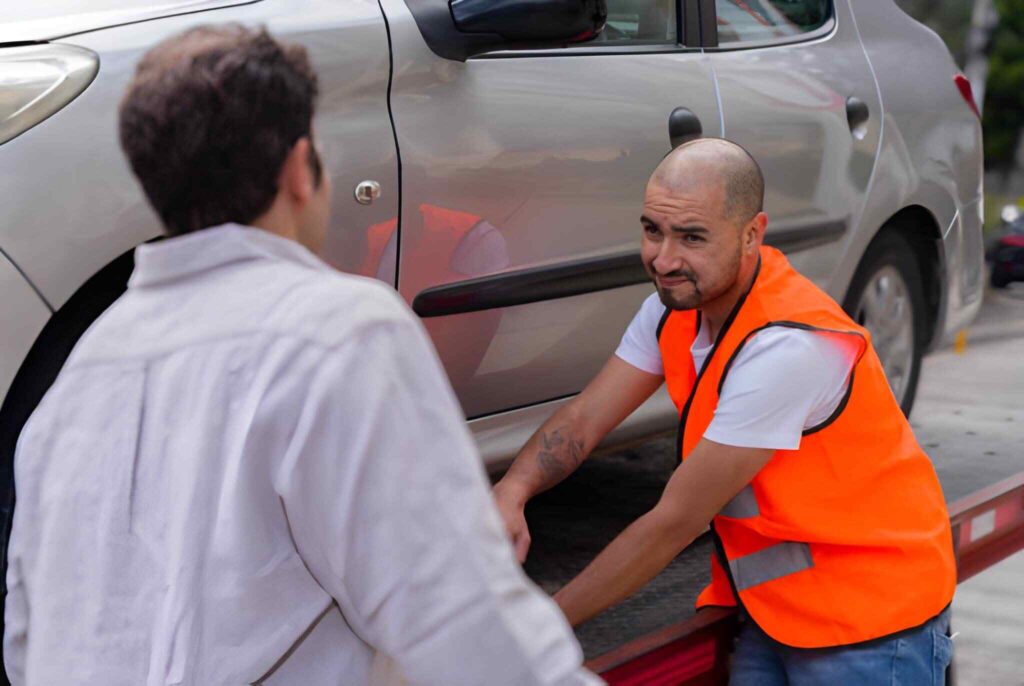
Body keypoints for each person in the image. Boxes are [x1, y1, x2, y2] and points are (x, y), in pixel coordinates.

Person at [3, 25, 600, 686]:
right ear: (298, 167)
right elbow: (462, 625)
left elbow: (27, 641)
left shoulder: (74, 386)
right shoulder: (337, 332)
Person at [493, 138, 957, 685]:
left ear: (751, 234)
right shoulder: (674, 307)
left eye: (691, 237)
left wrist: (544, 623)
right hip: (776, 612)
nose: (663, 260)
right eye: (651, 231)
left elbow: (672, 522)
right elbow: (585, 419)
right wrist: (513, 490)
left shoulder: (788, 347)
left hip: (872, 621)